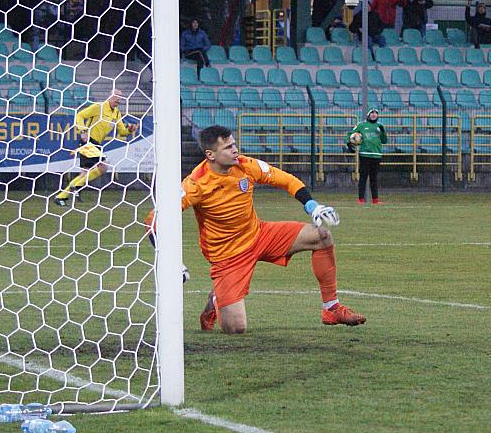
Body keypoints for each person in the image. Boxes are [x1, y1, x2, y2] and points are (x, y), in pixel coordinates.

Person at [152, 125, 364, 334]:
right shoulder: (195, 184)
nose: (235, 150)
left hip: (260, 235)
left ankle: (332, 309)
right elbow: (154, 219)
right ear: (211, 155)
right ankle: (216, 298)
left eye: (234, 144)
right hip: (228, 256)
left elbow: (286, 180)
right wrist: (170, 261)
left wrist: (312, 206)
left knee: (321, 236)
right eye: (227, 147)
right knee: (236, 328)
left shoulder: (245, 165)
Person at [52, 89, 138, 207]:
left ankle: (61, 197)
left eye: (120, 99)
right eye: (116, 97)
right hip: (88, 142)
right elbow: (80, 115)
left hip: (97, 143)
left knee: (84, 174)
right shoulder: (99, 107)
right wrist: (83, 131)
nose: (118, 100)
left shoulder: (116, 113)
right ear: (110, 96)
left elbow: (122, 131)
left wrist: (129, 130)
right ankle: (76, 186)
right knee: (103, 167)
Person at [346, 108, 388, 205]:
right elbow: (350, 134)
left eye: (375, 113)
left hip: (377, 155)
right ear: (368, 115)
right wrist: (349, 143)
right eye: (372, 113)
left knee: (374, 178)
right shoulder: (362, 125)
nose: (374, 114)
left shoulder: (380, 126)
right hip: (365, 154)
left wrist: (383, 132)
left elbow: (384, 141)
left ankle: (375, 200)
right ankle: (361, 199)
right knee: (363, 177)